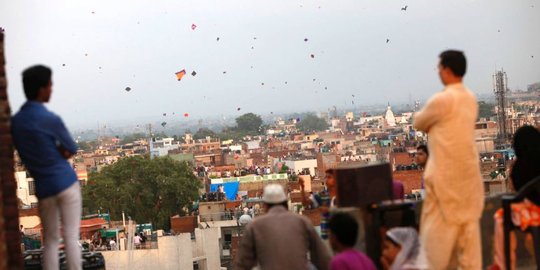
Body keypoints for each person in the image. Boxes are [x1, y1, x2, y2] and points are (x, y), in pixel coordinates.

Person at [413, 50, 484, 269]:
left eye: (439, 68)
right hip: (469, 184)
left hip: (445, 184)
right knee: (470, 255)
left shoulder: (442, 100)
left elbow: (418, 122)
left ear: (446, 69)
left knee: (437, 254)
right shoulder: (470, 98)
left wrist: (433, 126)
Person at [12, 65, 82, 270]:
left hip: (44, 188)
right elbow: (71, 148)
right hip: (66, 183)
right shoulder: (51, 119)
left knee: (50, 241)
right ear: (41, 89)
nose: (51, 90)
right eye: (50, 85)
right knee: (70, 238)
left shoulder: (16, 123)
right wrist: (56, 152)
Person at [234, 184, 331, 270]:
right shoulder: (302, 221)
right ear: (285, 203)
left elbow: (242, 263)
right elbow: (322, 258)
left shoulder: (255, 226)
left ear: (265, 205)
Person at [491, 125, 540, 270]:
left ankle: (504, 264)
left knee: (501, 218)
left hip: (533, 213)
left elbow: (520, 194)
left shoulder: (519, 167)